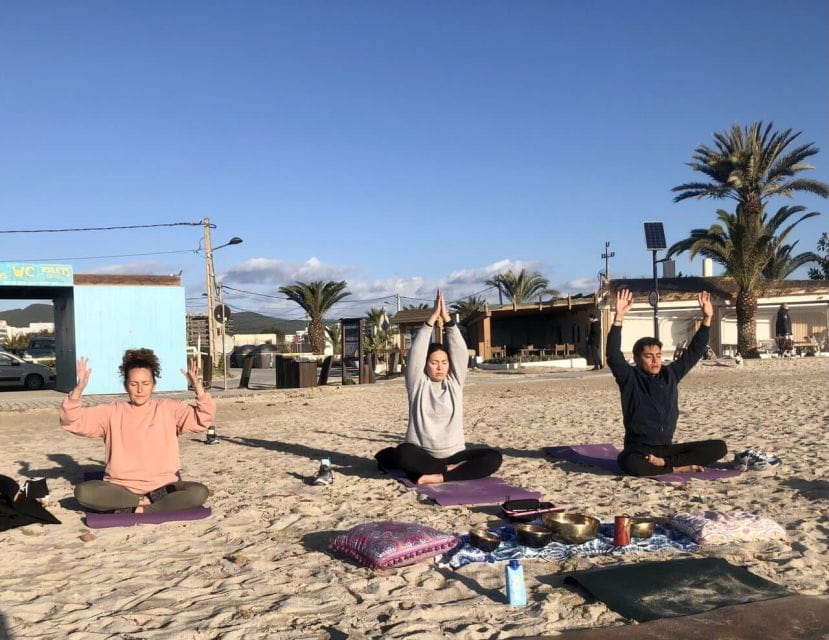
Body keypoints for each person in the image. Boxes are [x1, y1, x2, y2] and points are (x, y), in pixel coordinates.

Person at [60, 349, 215, 513]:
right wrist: (78, 389)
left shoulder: (168, 409)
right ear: (126, 385)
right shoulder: (111, 411)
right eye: (134, 384)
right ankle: (143, 504)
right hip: (121, 488)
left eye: (145, 384)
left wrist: (198, 387)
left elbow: (203, 419)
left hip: (162, 488)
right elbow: (71, 420)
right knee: (83, 492)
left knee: (199, 492)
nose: (140, 390)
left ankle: (135, 508)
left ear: (153, 385)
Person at [375, 290, 502, 484]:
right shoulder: (417, 384)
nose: (440, 366)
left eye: (444, 362)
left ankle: (440, 476)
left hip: (454, 455)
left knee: (494, 457)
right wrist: (432, 319)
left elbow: (459, 352)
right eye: (434, 362)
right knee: (403, 454)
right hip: (423, 455)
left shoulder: (455, 382)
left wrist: (448, 321)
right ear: (425, 364)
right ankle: (453, 472)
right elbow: (416, 353)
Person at [607, 288, 727, 476]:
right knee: (628, 463)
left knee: (719, 447)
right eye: (649, 356)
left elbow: (694, 352)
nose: (655, 361)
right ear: (638, 359)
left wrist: (707, 319)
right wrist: (619, 317)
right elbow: (613, 355)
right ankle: (675, 467)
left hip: (666, 448)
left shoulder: (670, 374)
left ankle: (665, 464)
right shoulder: (629, 378)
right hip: (640, 450)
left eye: (658, 355)